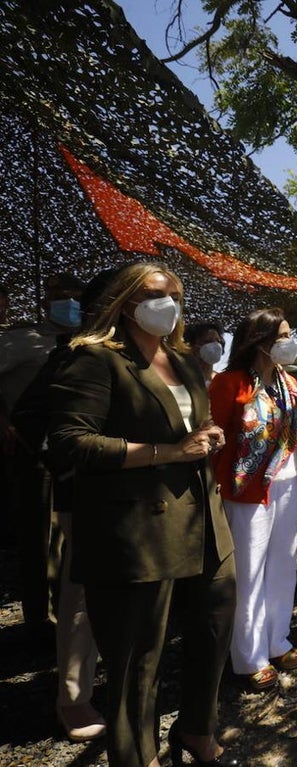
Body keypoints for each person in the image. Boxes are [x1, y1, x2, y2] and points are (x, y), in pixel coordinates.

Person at [47, 262, 239, 767]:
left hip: (204, 522)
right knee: (139, 660)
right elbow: (71, 441)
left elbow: (193, 425)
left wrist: (208, 436)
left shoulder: (183, 361)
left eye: (175, 294)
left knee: (214, 629)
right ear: (125, 301)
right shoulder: (93, 359)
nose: (168, 304)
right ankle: (137, 756)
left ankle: (196, 729)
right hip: (137, 531)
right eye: (155, 293)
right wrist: (167, 452)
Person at [11, 267, 123, 742]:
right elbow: (33, 420)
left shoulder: (158, 357)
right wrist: (70, 466)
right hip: (89, 495)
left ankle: (125, 682)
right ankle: (74, 697)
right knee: (81, 598)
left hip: (147, 502)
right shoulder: (71, 355)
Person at [209, 308, 297, 692]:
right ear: (260, 341)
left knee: (283, 564)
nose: (289, 343)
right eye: (282, 336)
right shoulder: (229, 383)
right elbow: (215, 437)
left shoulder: (289, 381)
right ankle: (249, 655)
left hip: (288, 482)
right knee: (249, 570)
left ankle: (277, 639)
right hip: (246, 490)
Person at [1, 273, 85, 647]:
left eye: (74, 295)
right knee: (40, 541)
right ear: (44, 301)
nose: (67, 301)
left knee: (80, 540)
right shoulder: (19, 340)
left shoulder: (91, 341)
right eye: (58, 295)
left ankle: (78, 618)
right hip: (35, 453)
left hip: (83, 453)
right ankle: (41, 626)